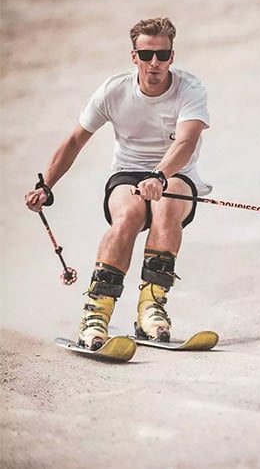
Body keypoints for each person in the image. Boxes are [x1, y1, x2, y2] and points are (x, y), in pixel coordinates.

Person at [24, 17, 211, 350]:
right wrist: (46, 186)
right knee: (128, 216)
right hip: (129, 172)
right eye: (146, 54)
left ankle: (151, 309)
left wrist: (160, 175)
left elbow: (186, 142)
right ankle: (96, 313)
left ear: (172, 56)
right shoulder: (114, 90)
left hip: (175, 174)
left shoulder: (190, 89)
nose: (154, 63)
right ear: (134, 56)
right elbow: (75, 140)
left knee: (168, 203)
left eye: (162, 55)